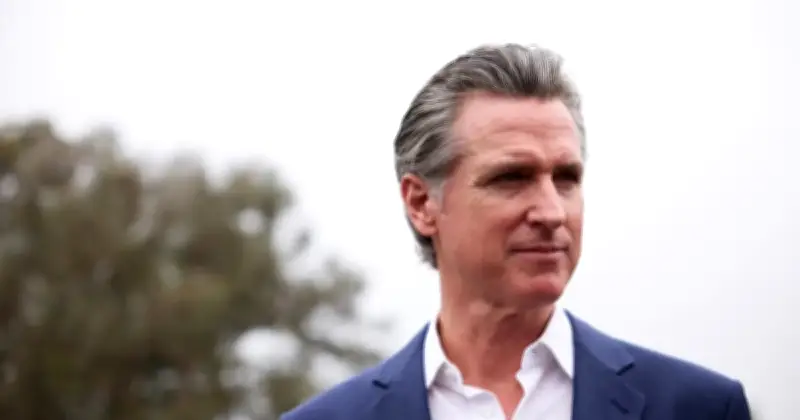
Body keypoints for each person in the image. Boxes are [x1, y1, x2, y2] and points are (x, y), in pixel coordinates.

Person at [280, 43, 751, 420]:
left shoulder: (700, 407)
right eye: (512, 177)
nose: (551, 212)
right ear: (422, 204)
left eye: (566, 178)